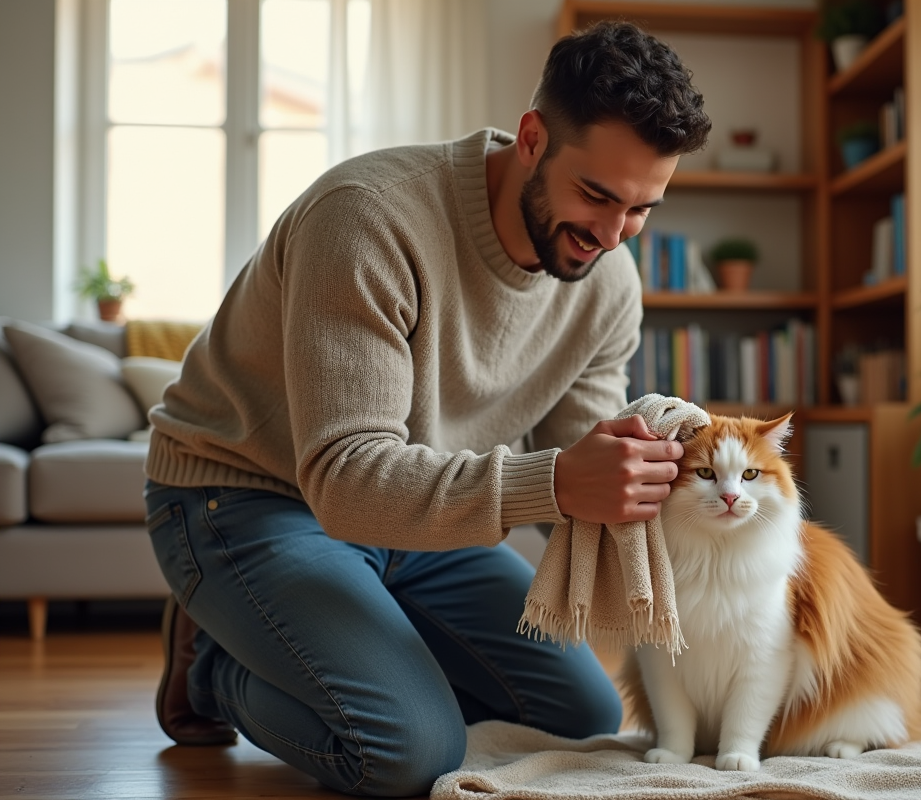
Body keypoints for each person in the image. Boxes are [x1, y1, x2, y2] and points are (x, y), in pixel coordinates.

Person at [145, 20, 711, 798]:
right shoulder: (368, 216)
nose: (612, 237)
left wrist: (677, 511)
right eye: (597, 195)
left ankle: (345, 640)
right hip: (249, 496)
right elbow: (345, 480)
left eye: (642, 209)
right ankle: (211, 667)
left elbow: (578, 463)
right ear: (534, 138)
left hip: (419, 511)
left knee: (581, 718)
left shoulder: (606, 284)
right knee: (406, 753)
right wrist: (555, 483)